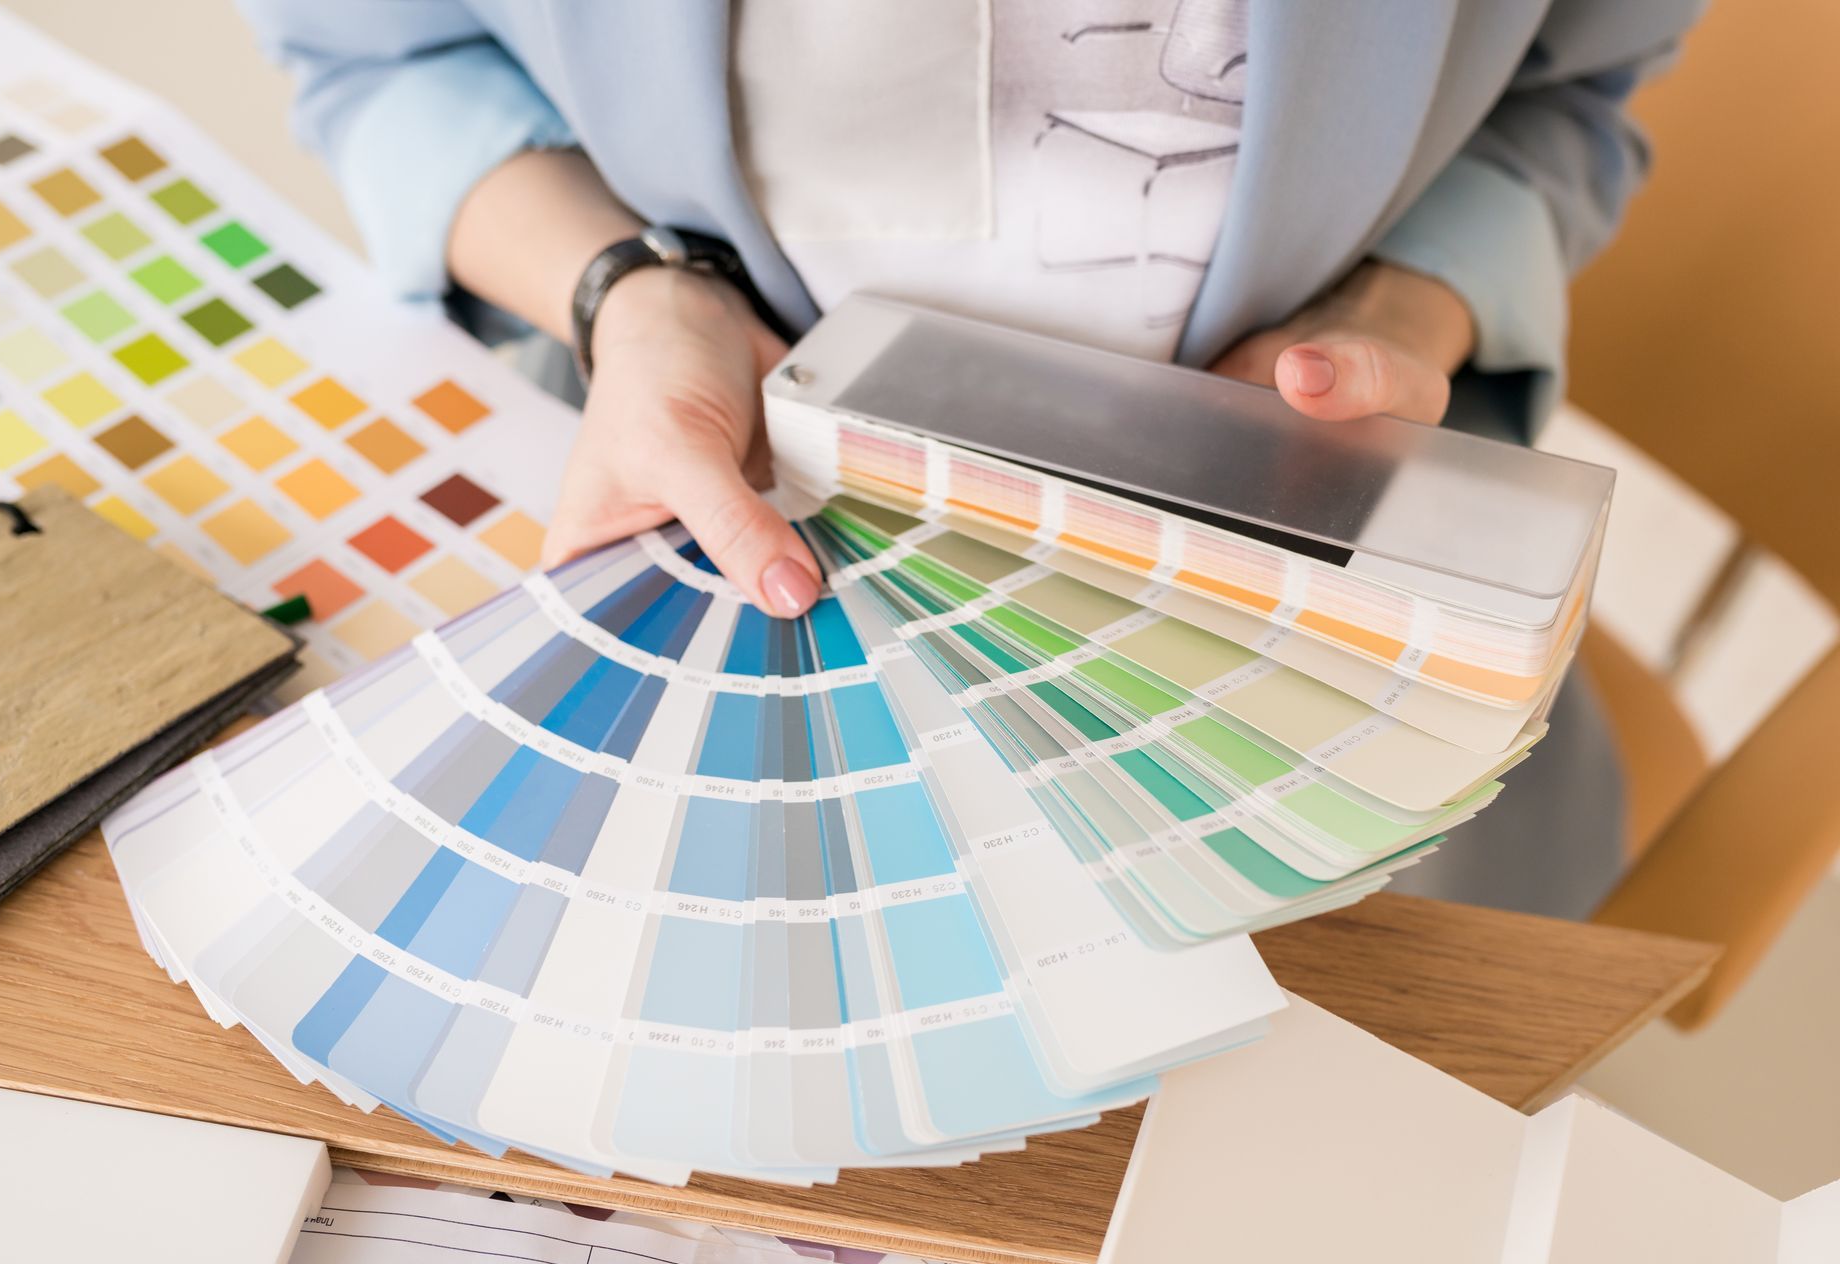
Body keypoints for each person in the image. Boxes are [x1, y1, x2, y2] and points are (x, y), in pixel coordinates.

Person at [237, 0, 1703, 917]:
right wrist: (628, 287)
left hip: (1297, 613)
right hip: (694, 500)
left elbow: (1564, 95)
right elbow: (381, 50)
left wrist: (1400, 312)